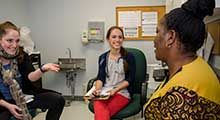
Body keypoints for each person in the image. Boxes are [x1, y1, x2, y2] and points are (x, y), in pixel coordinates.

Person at [144, 0, 220, 119]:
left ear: (170, 37)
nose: (154, 40)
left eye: (157, 32)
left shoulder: (182, 96)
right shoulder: (194, 66)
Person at [0, 21, 65, 120]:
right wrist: (8, 106)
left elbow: (30, 77)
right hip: (3, 103)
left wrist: (43, 69)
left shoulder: (21, 55)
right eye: (9, 40)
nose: (14, 45)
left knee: (58, 99)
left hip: (23, 98)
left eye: (17, 41)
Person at [92, 26, 136, 120]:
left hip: (122, 92)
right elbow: (100, 77)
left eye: (120, 37)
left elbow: (130, 79)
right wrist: (98, 89)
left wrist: (115, 90)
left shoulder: (129, 57)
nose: (117, 40)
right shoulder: (103, 58)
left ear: (123, 39)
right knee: (100, 108)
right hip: (105, 92)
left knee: (102, 113)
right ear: (108, 39)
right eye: (114, 37)